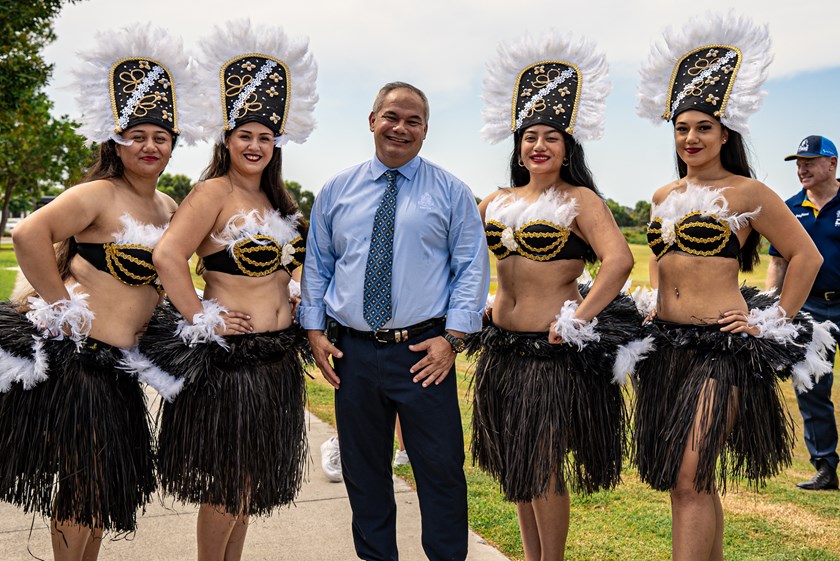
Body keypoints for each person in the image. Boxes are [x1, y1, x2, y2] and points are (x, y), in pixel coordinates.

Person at [634, 13, 835, 561]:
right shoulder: (662, 193)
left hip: (720, 349)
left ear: (725, 133)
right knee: (690, 481)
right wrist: (653, 301)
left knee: (688, 477)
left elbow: (805, 256)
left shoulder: (748, 192)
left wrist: (770, 321)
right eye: (682, 128)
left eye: (703, 127)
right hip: (665, 348)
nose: (691, 138)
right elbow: (660, 258)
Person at [0, 25, 199, 561]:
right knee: (80, 487)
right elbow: (28, 234)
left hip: (119, 368)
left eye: (161, 137)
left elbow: (174, 276)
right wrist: (60, 306)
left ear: (173, 145)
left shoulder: (168, 208)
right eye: (138, 134)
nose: (150, 145)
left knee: (100, 490)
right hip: (79, 365)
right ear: (116, 140)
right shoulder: (98, 194)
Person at [133, 21, 317, 561]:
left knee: (249, 485)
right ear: (227, 139)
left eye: (264, 137)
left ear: (275, 143)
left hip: (275, 361)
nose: (255, 145)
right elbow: (167, 256)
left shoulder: (277, 201)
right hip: (231, 364)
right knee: (227, 484)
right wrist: (199, 316)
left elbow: (282, 271)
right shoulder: (214, 191)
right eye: (245, 136)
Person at [300, 81, 489, 561]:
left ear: (426, 130)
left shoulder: (451, 191)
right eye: (391, 117)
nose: (400, 128)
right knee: (364, 474)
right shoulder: (337, 191)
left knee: (441, 469)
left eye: (413, 120)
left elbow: (471, 266)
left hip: (424, 351)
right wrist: (315, 331)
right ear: (372, 120)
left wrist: (453, 338)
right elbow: (318, 264)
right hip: (354, 353)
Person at [470, 32, 638, 561]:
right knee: (518, 468)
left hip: (552, 354)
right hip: (503, 351)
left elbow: (620, 261)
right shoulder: (496, 201)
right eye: (529, 136)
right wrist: (473, 305)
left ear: (568, 147)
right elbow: (466, 263)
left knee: (542, 465)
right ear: (517, 144)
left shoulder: (580, 199)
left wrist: (579, 319)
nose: (538, 146)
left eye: (551, 137)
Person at [766, 135, 840, 490]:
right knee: (812, 387)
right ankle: (825, 467)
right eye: (798, 162)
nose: (802, 168)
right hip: (810, 307)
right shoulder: (790, 207)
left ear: (832, 164)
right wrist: (770, 304)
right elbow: (778, 263)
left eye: (810, 161)